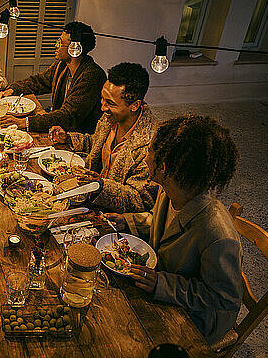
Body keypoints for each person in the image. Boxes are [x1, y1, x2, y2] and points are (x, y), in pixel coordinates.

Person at [104, 115, 243, 345]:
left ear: (164, 166)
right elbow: (161, 223)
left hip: (192, 322)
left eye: (148, 150)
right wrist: (127, 222)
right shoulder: (170, 189)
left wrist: (162, 284)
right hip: (159, 285)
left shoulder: (218, 234)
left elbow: (223, 301)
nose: (145, 156)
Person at [49, 62, 157, 213]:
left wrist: (101, 186)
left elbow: (140, 200)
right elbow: (96, 143)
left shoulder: (151, 145)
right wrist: (67, 138)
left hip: (111, 217)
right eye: (102, 99)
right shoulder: (110, 120)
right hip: (88, 198)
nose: (102, 108)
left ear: (135, 105)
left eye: (110, 103)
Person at [0, 21, 106, 134]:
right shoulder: (62, 65)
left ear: (75, 49)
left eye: (60, 43)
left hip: (76, 139)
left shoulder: (91, 76)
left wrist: (25, 122)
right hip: (59, 131)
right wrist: (13, 89)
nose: (56, 45)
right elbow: (39, 81)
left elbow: (67, 116)